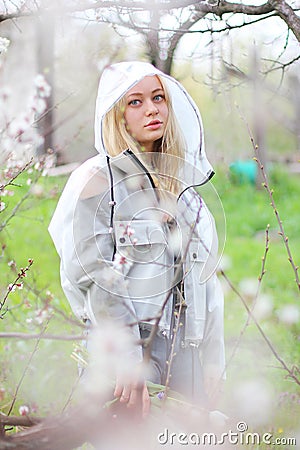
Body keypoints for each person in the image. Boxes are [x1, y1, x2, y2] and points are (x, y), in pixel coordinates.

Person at [48, 61, 225, 419]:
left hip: (185, 352)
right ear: (117, 114)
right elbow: (91, 273)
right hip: (124, 352)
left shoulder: (186, 193)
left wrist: (213, 361)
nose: (151, 109)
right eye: (135, 102)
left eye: (158, 98)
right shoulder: (98, 180)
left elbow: (209, 284)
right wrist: (128, 359)